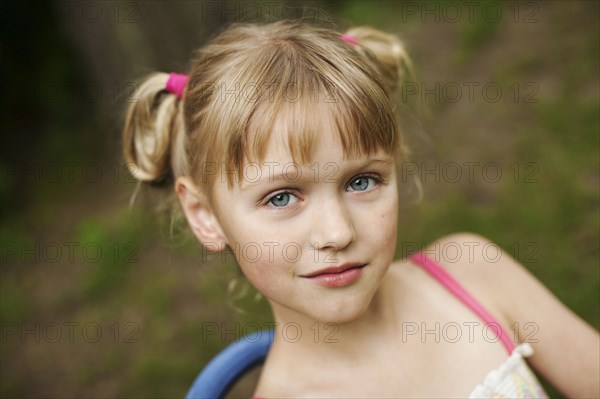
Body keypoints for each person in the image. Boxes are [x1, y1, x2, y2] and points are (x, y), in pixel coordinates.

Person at [122, 20, 599, 398]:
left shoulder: (472, 275)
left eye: (361, 181)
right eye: (282, 196)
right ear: (205, 214)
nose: (336, 232)